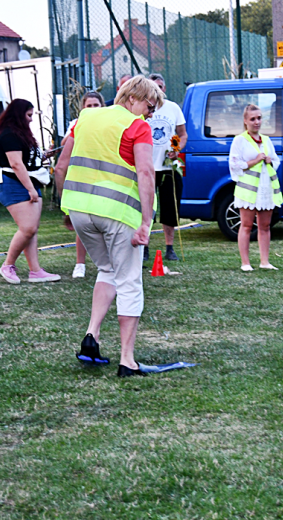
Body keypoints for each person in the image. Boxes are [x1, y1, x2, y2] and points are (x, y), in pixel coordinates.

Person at [55, 75, 162, 377]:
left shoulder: (84, 117)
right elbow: (145, 171)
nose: (150, 114)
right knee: (129, 280)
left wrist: (66, 206)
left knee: (107, 270)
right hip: (117, 213)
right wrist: (146, 219)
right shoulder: (136, 126)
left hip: (79, 209)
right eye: (149, 106)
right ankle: (127, 359)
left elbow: (61, 166)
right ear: (132, 99)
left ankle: (92, 336)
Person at [0, 99, 60, 283]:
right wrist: (30, 189)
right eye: (29, 115)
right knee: (28, 228)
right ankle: (7, 265)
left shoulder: (20, 134)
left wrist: (44, 154)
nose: (31, 119)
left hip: (26, 183)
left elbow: (26, 160)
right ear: (18, 115)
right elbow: (16, 164)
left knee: (31, 230)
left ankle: (35, 271)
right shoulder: (8, 135)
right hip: (14, 185)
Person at [228, 104, 282, 271]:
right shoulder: (240, 140)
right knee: (246, 225)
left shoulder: (266, 140)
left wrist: (269, 161)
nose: (256, 122)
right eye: (252, 119)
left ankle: (264, 261)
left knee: (265, 226)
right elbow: (234, 164)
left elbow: (275, 161)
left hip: (265, 188)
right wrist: (255, 161)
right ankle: (245, 262)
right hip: (248, 190)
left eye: (259, 118)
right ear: (245, 121)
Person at [61, 91, 106, 278]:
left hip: (105, 178)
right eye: (89, 106)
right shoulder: (78, 124)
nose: (93, 109)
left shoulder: (108, 123)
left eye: (96, 105)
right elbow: (65, 145)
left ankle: (107, 263)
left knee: (105, 222)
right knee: (83, 224)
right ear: (83, 108)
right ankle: (80, 264)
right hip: (84, 178)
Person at [146, 73, 187, 262]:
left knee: (170, 208)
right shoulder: (141, 109)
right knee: (145, 208)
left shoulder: (173, 108)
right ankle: (143, 247)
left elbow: (182, 134)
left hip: (168, 166)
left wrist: (176, 148)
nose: (158, 90)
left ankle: (170, 247)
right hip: (147, 167)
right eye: (154, 87)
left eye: (161, 87)